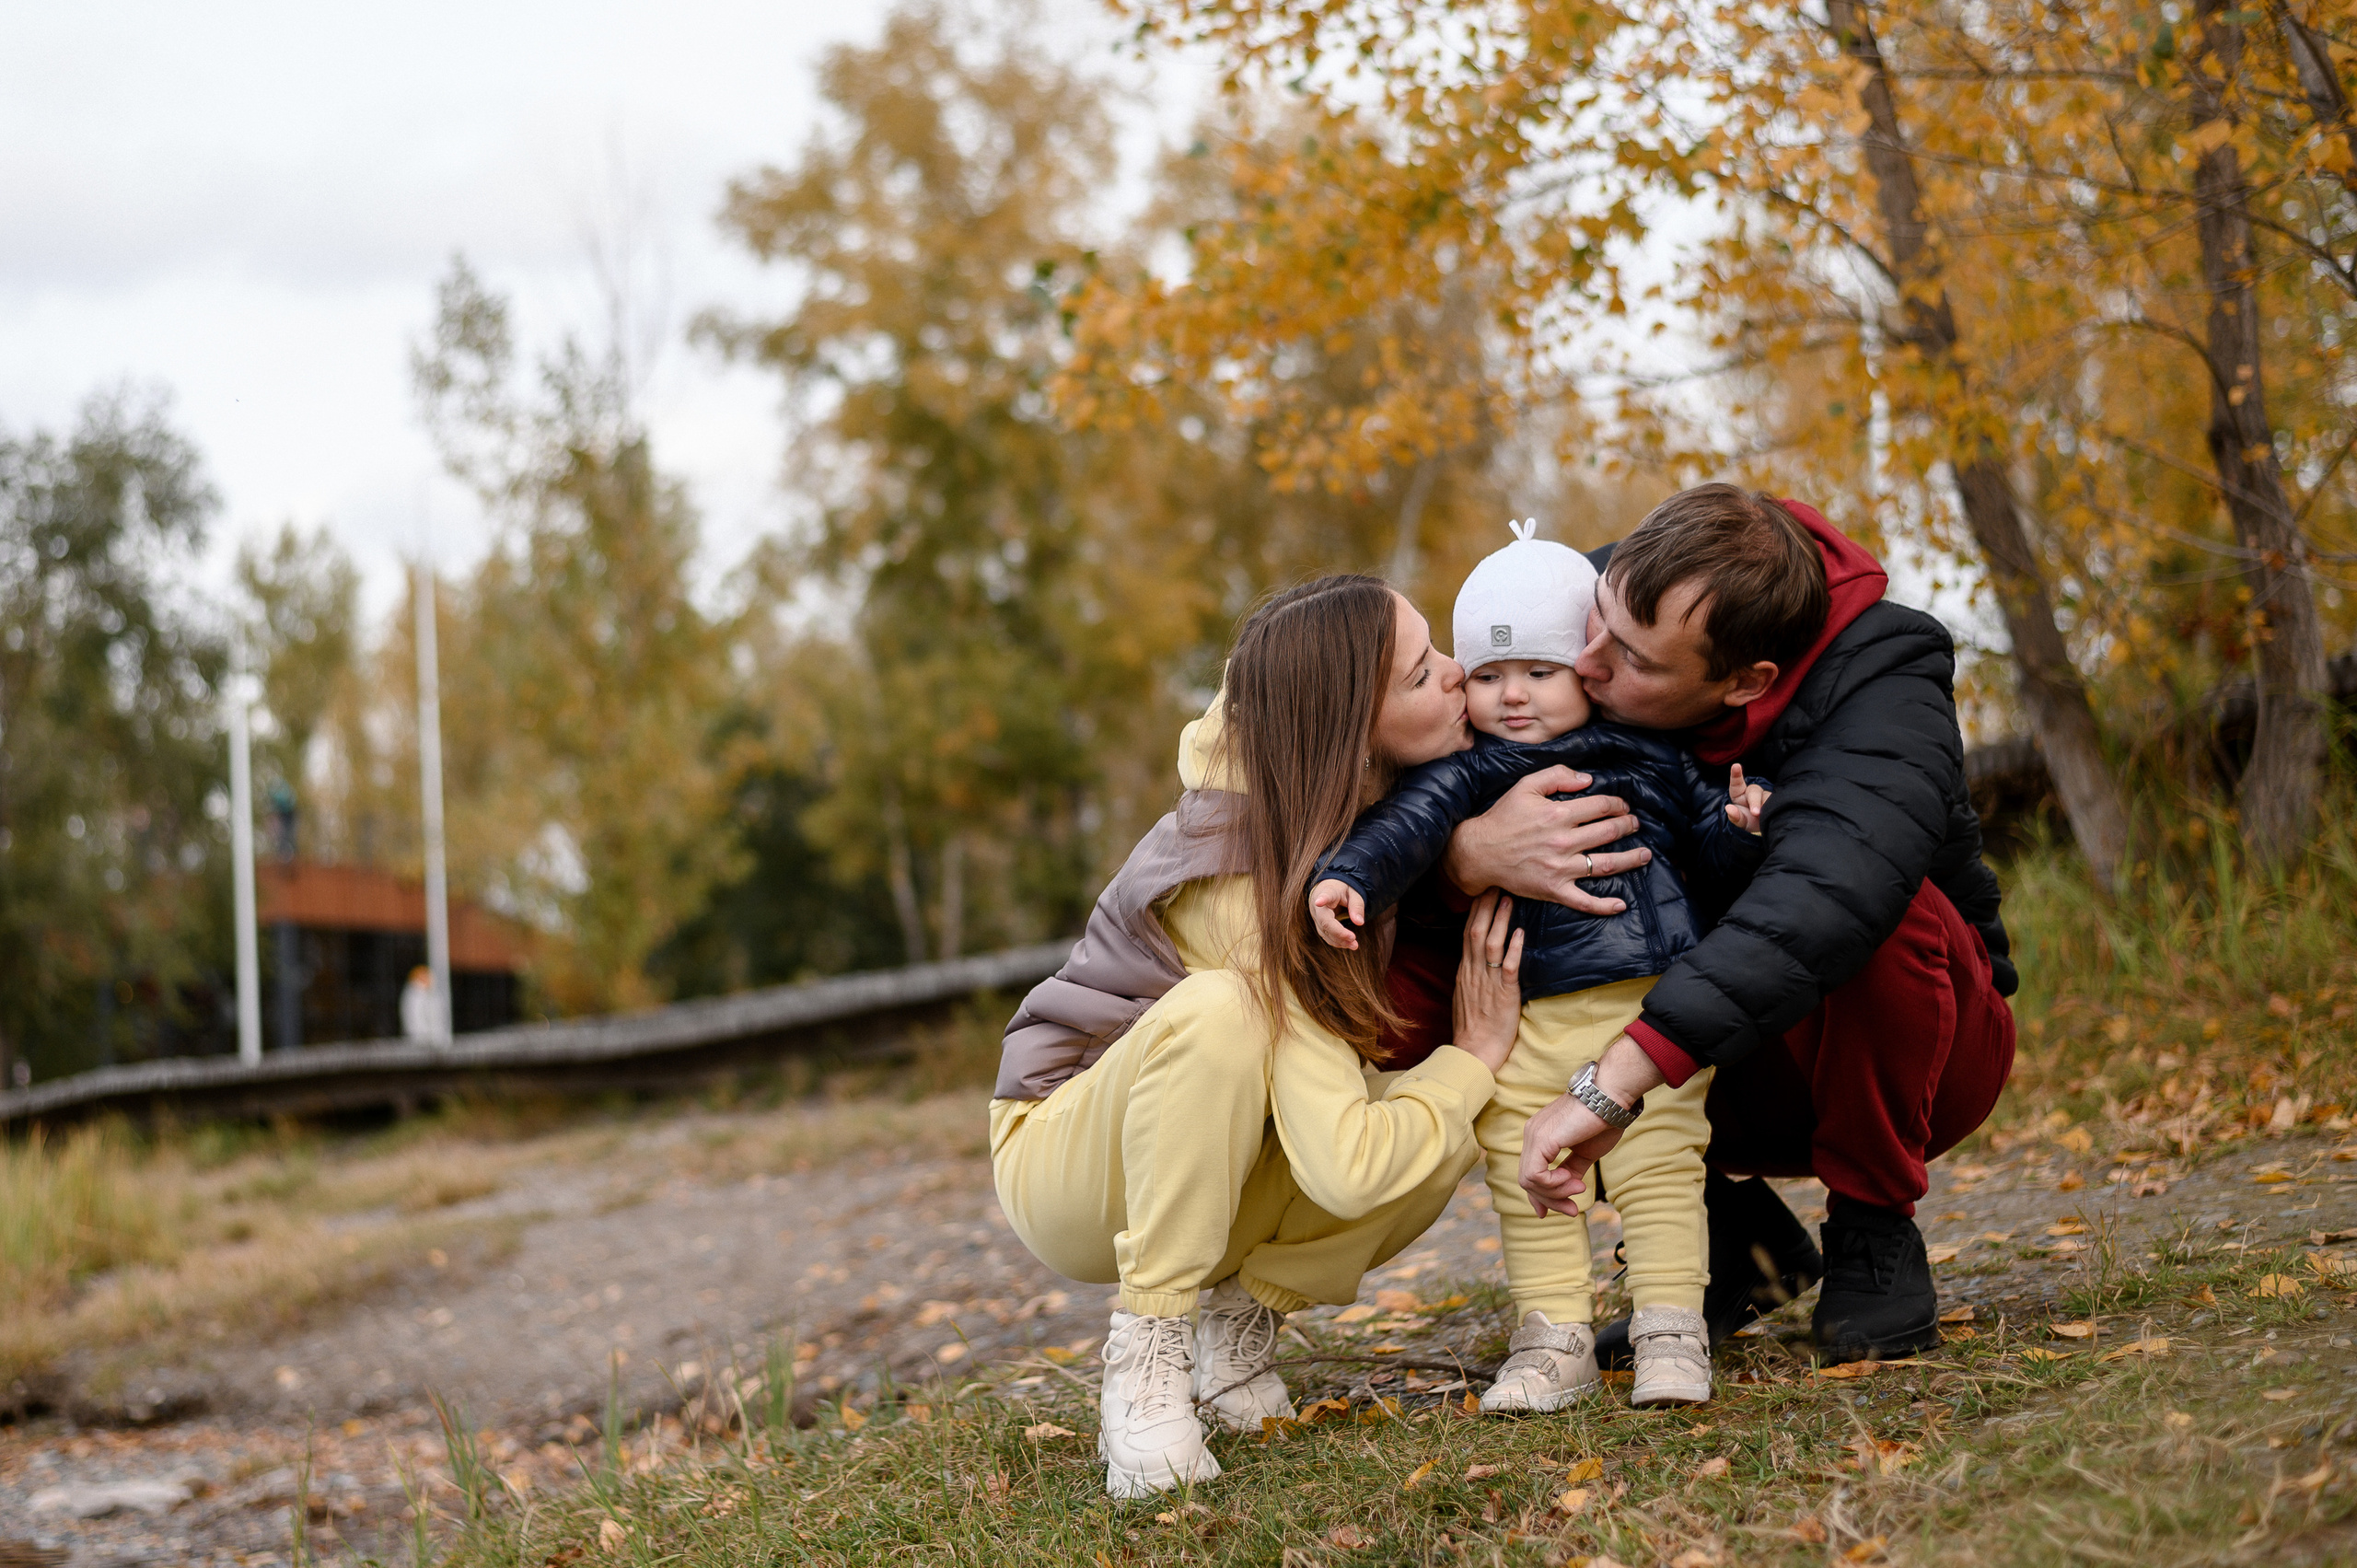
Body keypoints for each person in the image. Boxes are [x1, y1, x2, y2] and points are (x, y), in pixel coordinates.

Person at [1442, 484, 2015, 1365]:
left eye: (1632, 659)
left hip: (1922, 1049)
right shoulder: (1595, 600)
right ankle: (1731, 1248)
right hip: (1714, 1054)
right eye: (1595, 621)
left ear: (1746, 682)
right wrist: (1471, 853)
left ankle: (1873, 1222)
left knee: (1872, 903)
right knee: (1467, 933)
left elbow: (1822, 904)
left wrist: (1608, 1083)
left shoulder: (1885, 678)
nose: (1585, 663)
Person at [989, 575, 1533, 1498]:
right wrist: (1470, 1060)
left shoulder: (1337, 789)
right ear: (1343, 732)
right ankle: (1150, 1349)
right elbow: (1348, 1169)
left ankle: (1236, 1326)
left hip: (1205, 1138)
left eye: (1436, 650)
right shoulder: (1241, 886)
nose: (1456, 675)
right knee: (1238, 1014)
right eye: (1418, 676)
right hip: (1065, 1154)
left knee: (1428, 1100)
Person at [1306, 520, 1772, 1411]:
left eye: (1538, 671)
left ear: (1586, 669)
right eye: (1487, 674)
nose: (1512, 696)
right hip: (1520, 1009)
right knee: (1525, 1173)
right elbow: (1399, 831)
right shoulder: (1468, 772)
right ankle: (1552, 1337)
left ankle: (1669, 1329)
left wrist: (1737, 828)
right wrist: (1347, 874)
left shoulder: (1652, 753)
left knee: (1660, 1167)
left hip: (1650, 1004)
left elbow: (1704, 863)